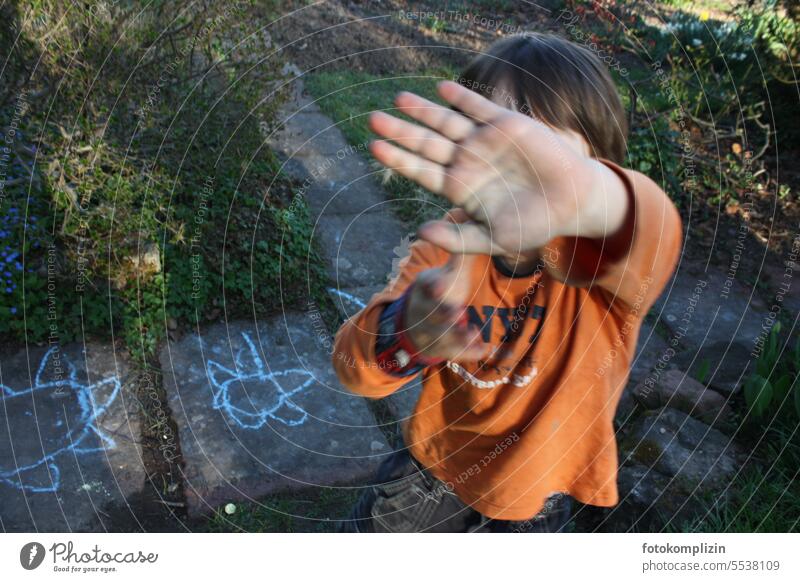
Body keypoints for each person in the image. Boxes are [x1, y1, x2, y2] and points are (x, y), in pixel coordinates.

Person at [331, 33, 682, 533]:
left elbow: (655, 230)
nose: (515, 166)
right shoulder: (444, 249)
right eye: (493, 137)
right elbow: (354, 367)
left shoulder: (608, 267)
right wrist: (409, 331)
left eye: (543, 149)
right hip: (430, 475)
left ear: (600, 161)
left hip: (538, 498)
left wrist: (588, 196)